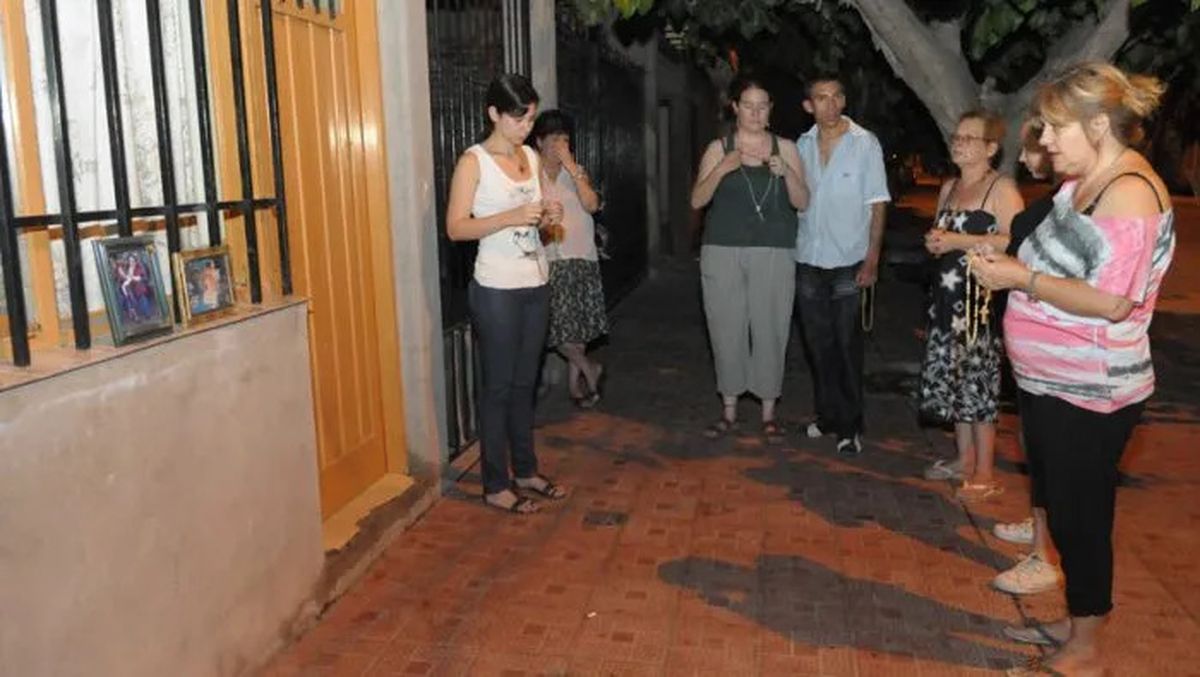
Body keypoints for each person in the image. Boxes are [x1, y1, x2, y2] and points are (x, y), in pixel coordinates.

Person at [969, 62, 1174, 675]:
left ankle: (1085, 649)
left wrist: (1021, 278)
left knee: (1083, 521)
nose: (1045, 140)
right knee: (1063, 510)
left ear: (1098, 124)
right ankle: (1074, 622)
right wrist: (1004, 257)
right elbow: (1049, 251)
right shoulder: (1083, 179)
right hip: (1050, 383)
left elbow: (1115, 302)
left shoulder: (1130, 193)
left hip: (1093, 390)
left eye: (1056, 128)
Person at [445, 73, 567, 515]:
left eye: (530, 118)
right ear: (494, 114)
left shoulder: (531, 158)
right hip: (496, 287)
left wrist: (549, 213)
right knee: (497, 387)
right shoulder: (473, 162)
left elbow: (546, 217)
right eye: (518, 118)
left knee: (524, 384)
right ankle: (495, 483)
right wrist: (513, 215)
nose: (525, 127)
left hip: (535, 283)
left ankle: (526, 470)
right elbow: (456, 227)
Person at [690, 75, 809, 444]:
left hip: (774, 249)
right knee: (726, 326)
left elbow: (802, 202)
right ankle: (729, 410)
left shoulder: (785, 147)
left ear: (770, 110)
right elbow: (697, 200)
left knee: (771, 326)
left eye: (763, 105)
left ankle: (768, 413)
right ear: (735, 108)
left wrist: (785, 171)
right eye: (748, 105)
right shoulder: (718, 147)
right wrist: (722, 169)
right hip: (722, 250)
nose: (755, 112)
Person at [918, 110, 1023, 502]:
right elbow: (942, 237)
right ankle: (964, 460)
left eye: (969, 138)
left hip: (979, 304)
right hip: (945, 302)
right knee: (955, 382)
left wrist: (958, 243)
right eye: (956, 136)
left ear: (991, 148)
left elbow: (1015, 241)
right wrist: (935, 241)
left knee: (978, 384)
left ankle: (985, 471)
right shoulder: (948, 187)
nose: (958, 142)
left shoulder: (1001, 187)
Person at [793, 74, 889, 455]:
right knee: (818, 346)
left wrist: (873, 257)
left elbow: (878, 203)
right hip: (808, 257)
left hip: (850, 260)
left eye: (836, 97)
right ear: (809, 106)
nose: (830, 105)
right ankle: (827, 415)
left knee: (848, 345)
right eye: (821, 98)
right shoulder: (799, 146)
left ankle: (851, 425)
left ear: (844, 101)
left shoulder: (864, 144)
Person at [989, 118, 1063, 597]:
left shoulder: (1074, 205)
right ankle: (1040, 528)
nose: (1022, 157)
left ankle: (1045, 553)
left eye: (1032, 148)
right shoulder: (1057, 201)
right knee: (1036, 451)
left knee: (1056, 458)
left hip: (1060, 355)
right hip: (1034, 355)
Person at [531, 110, 608, 408]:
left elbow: (592, 205)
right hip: (551, 258)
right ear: (539, 142)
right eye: (554, 140)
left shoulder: (575, 172)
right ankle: (591, 369)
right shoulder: (530, 176)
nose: (560, 146)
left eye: (565, 140)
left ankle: (575, 386)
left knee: (579, 328)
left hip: (582, 254)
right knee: (558, 326)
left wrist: (572, 166)